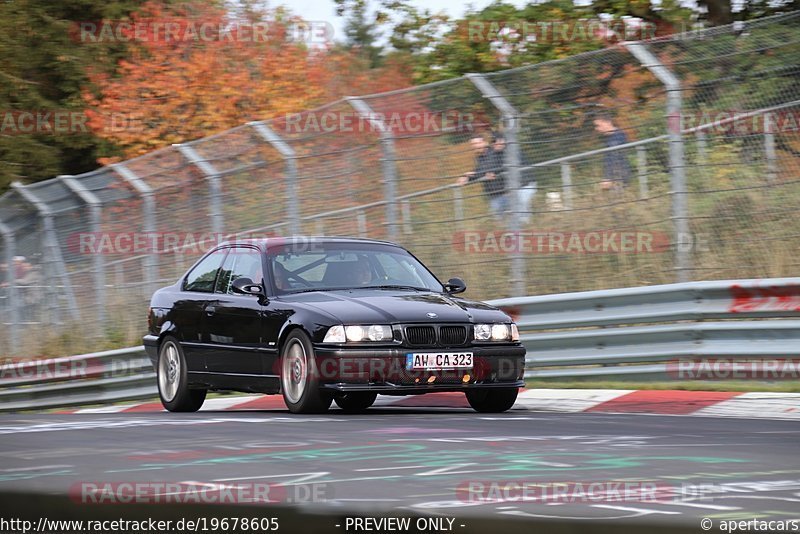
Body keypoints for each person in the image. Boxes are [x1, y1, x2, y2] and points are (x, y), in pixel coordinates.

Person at [456, 134, 508, 219]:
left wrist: (491, 172)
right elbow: (480, 171)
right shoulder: (479, 158)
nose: (475, 146)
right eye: (473, 144)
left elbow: (498, 166)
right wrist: (466, 177)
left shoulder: (495, 151)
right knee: (500, 223)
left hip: (506, 192)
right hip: (494, 195)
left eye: (478, 143)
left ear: (484, 142)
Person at [593, 115, 632, 192]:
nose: (597, 129)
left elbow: (614, 157)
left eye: (598, 125)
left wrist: (608, 177)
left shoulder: (618, 137)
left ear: (607, 122)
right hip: (615, 174)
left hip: (618, 175)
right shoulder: (608, 138)